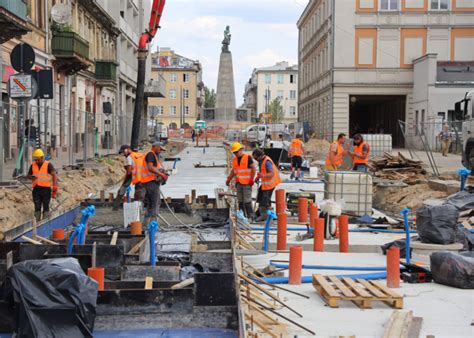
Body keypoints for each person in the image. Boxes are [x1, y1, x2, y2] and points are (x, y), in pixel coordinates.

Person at [226, 142, 256, 220]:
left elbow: (253, 168)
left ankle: (251, 216)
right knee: (240, 201)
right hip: (239, 182)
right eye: (234, 152)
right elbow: (234, 170)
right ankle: (242, 216)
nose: (235, 154)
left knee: (247, 200)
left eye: (236, 152)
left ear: (241, 150)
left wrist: (252, 179)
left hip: (246, 183)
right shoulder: (235, 159)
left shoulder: (247, 157)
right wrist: (229, 179)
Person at [141, 142, 169, 223]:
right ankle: (153, 223)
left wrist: (162, 173)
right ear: (155, 147)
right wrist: (161, 174)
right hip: (150, 182)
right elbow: (150, 168)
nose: (160, 151)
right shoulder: (151, 155)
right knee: (155, 203)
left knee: (152, 203)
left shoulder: (154, 156)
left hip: (151, 182)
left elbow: (155, 168)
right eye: (160, 148)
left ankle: (147, 223)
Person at [27, 149, 57, 221]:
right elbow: (29, 175)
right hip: (36, 189)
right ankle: (36, 222)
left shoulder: (48, 164)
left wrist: (54, 185)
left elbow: (54, 174)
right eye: (35, 159)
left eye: (38, 159)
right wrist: (31, 177)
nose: (36, 161)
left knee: (46, 205)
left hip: (46, 189)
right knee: (37, 206)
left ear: (42, 157)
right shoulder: (33, 165)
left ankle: (45, 220)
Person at [252, 149, 281, 222]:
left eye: (256, 158)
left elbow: (271, 174)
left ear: (260, 156)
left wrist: (262, 175)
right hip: (266, 183)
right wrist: (258, 177)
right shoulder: (261, 161)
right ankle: (260, 212)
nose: (255, 160)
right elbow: (262, 171)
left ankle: (264, 216)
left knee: (265, 199)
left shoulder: (267, 161)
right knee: (260, 196)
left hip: (270, 183)